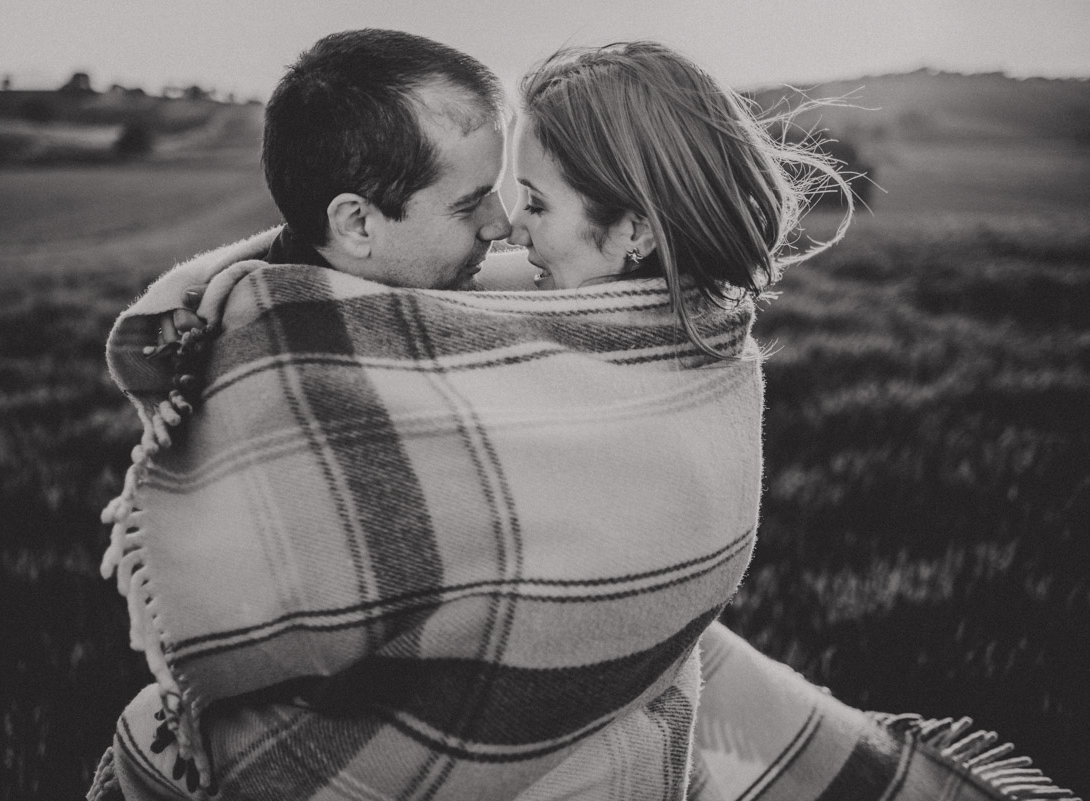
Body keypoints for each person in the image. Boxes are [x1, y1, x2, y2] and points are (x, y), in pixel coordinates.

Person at [89, 33, 1074, 801]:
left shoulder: (661, 375)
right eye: (487, 200)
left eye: (531, 204)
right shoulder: (586, 309)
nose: (507, 230)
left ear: (634, 229)